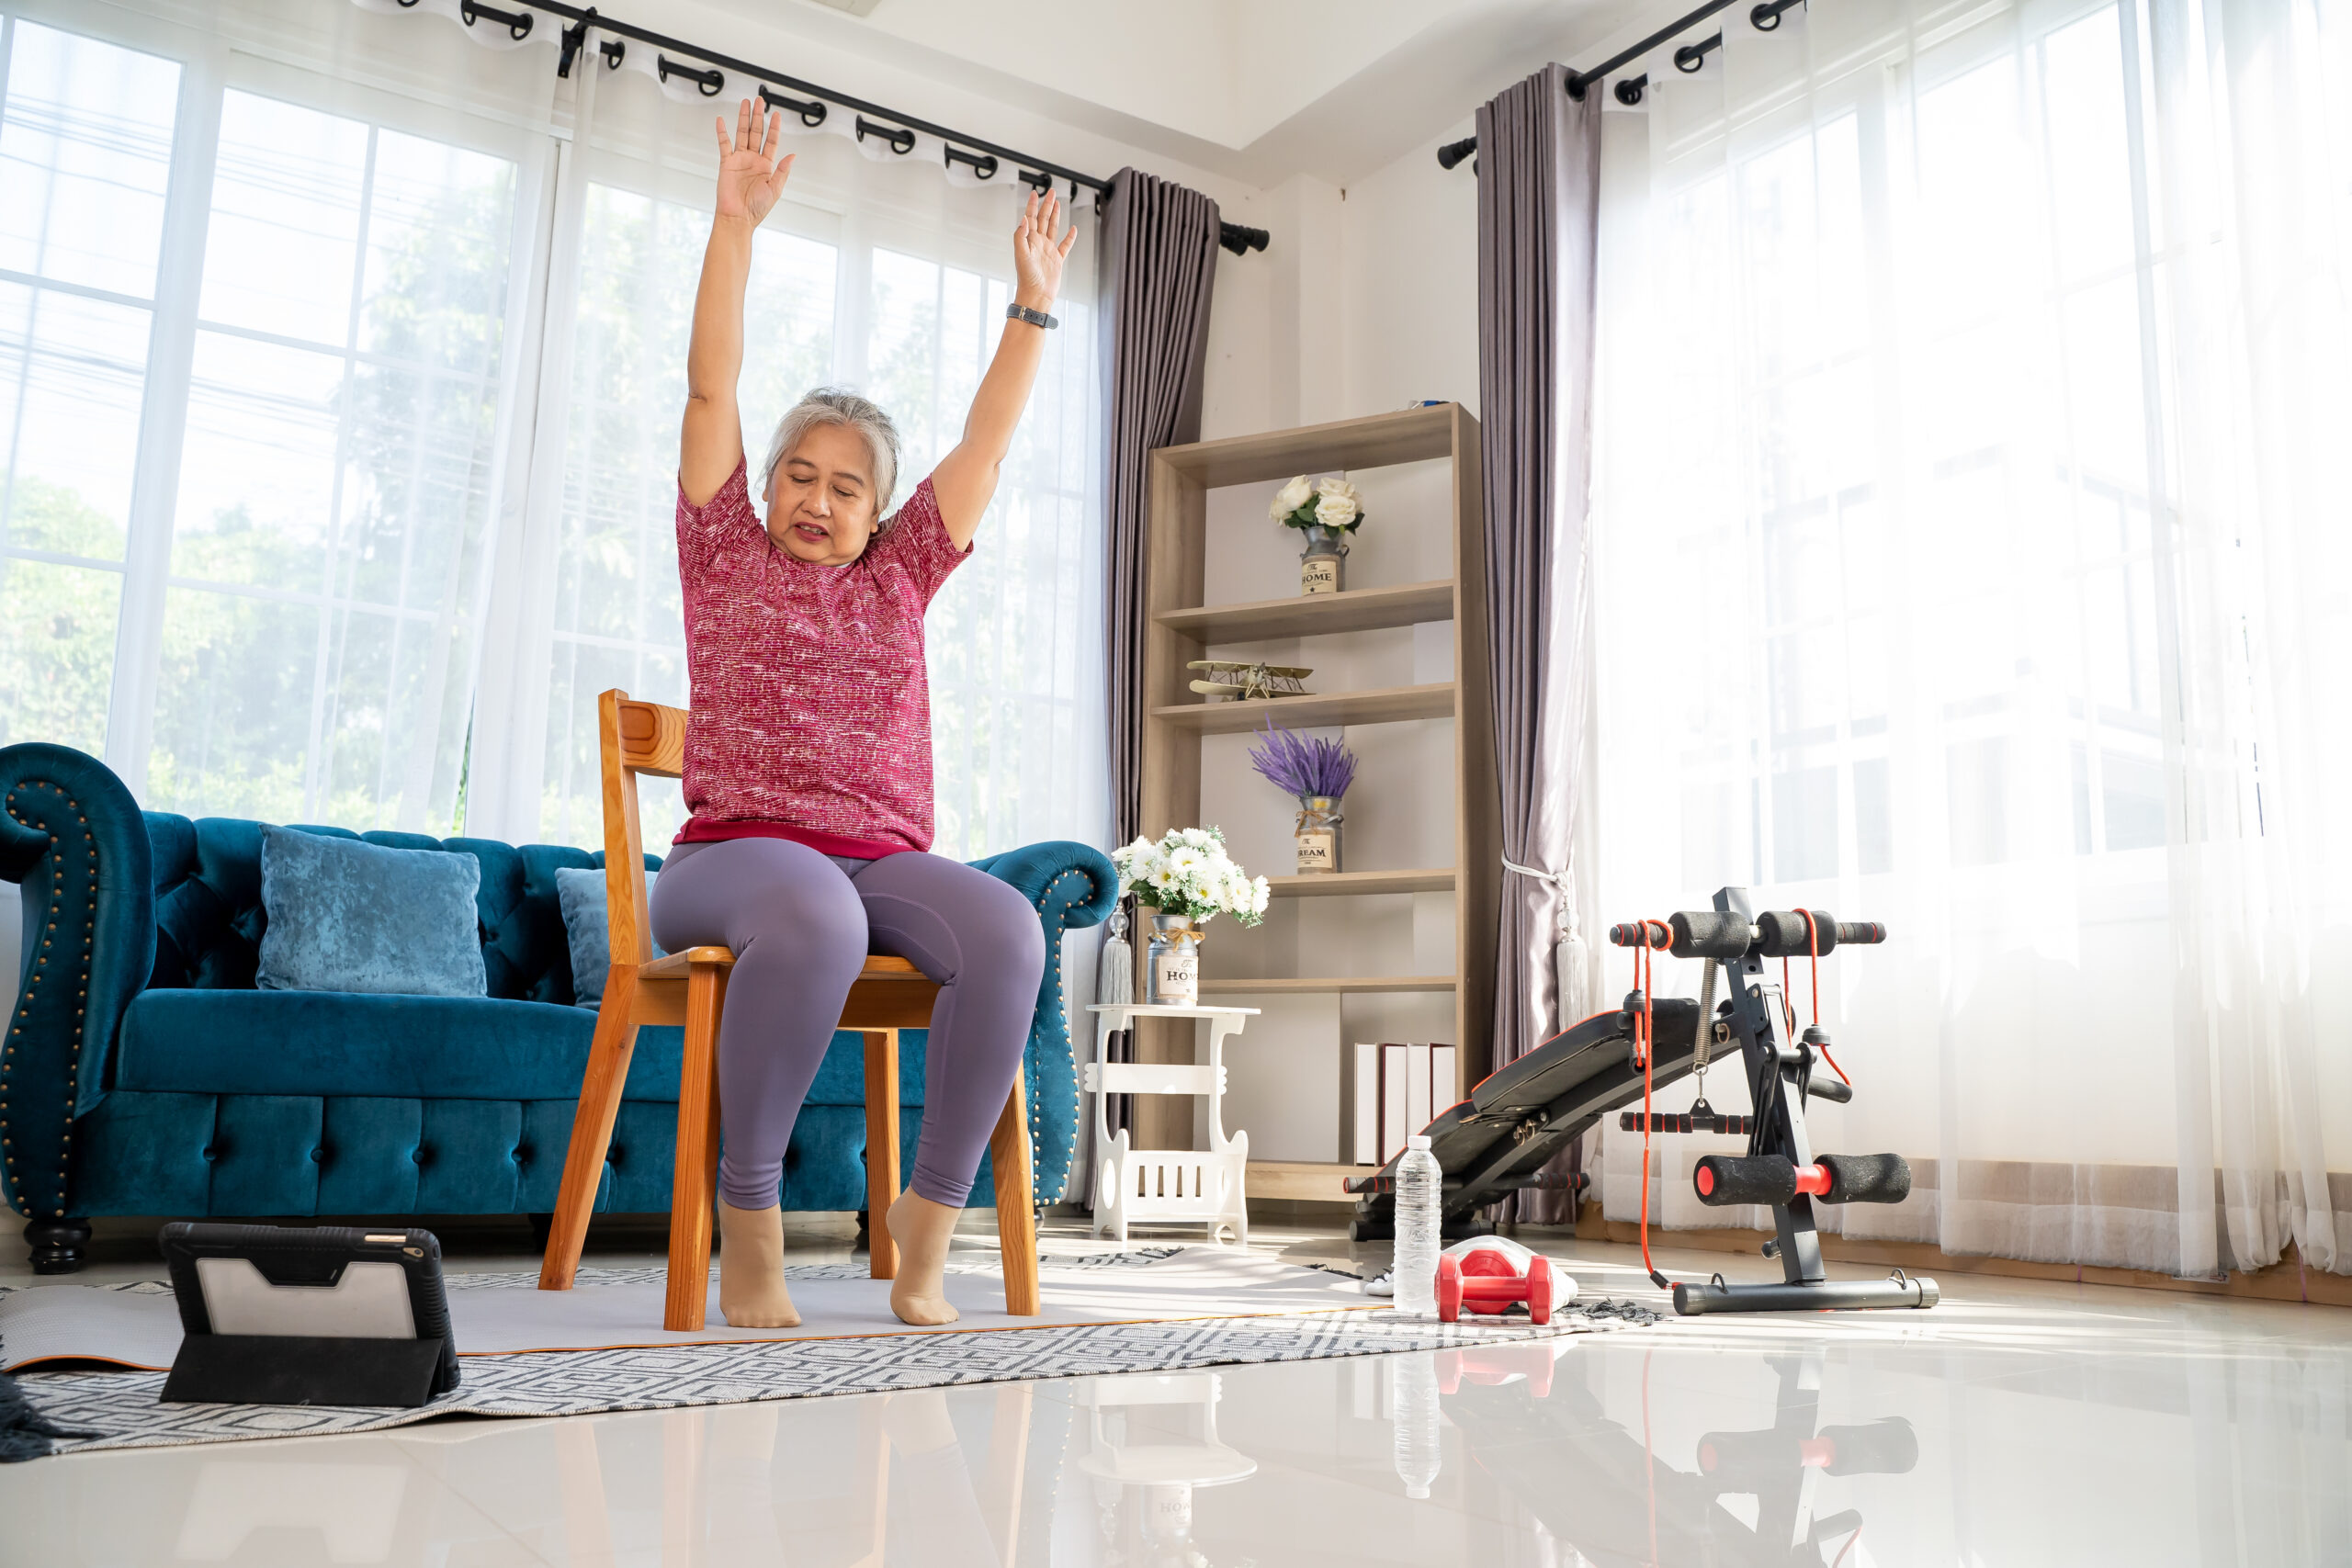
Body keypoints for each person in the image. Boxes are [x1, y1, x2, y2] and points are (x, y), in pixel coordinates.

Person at [650, 99, 1075, 1328]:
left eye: (848, 487)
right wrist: (734, 224)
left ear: (881, 511)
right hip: (727, 862)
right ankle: (752, 1227)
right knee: (815, 912)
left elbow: (986, 445)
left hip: (875, 859)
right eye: (799, 474)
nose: (818, 500)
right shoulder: (722, 549)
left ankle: (928, 1231)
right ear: (765, 483)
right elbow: (709, 384)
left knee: (1004, 933)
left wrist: (1032, 307)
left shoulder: (903, 573)